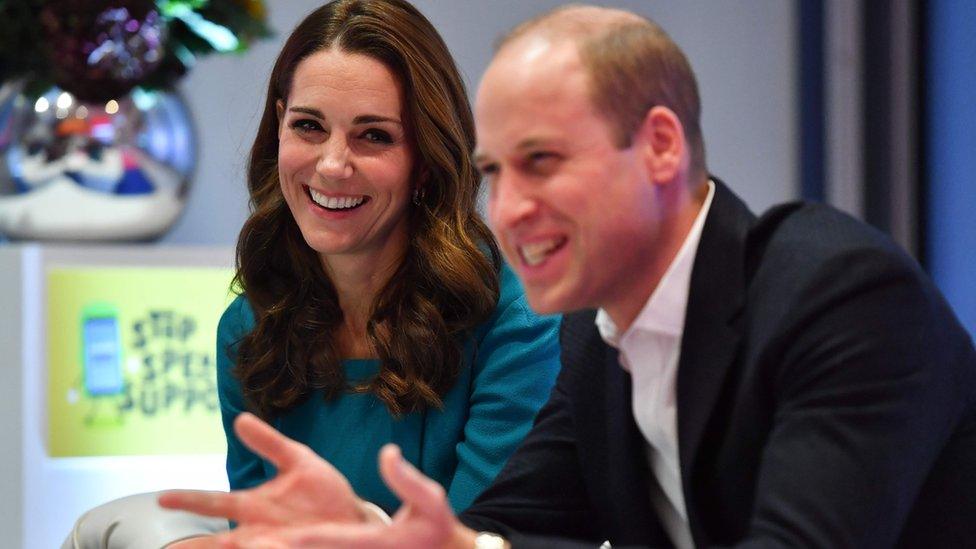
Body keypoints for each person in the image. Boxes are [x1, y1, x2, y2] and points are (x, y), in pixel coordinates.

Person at [159, 4, 976, 549]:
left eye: (542, 162)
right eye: (496, 173)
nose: (509, 209)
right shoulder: (596, 335)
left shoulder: (840, 293)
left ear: (661, 146)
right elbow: (512, 528)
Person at [61, 1, 560, 547]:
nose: (331, 164)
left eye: (374, 136)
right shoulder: (249, 326)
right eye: (308, 126)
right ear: (279, 127)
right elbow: (259, 536)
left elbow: (480, 537)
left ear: (426, 158)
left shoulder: (516, 320)